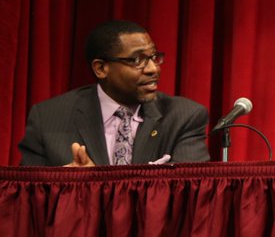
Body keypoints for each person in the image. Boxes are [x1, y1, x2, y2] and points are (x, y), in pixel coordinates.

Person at [19, 20, 210, 166]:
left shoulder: (183, 117)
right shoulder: (48, 118)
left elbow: (189, 198)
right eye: (137, 60)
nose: (153, 69)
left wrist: (94, 184)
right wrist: (70, 186)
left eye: (153, 57)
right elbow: (29, 202)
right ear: (101, 68)